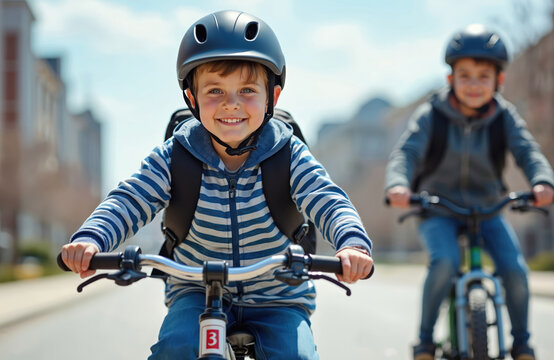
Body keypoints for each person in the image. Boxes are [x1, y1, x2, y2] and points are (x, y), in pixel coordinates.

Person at [60, 10, 373, 360]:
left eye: (247, 90)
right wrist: (92, 238)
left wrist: (351, 243)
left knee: (296, 356)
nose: (231, 103)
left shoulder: (288, 155)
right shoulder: (176, 157)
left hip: (278, 295)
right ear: (191, 98)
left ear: (274, 96)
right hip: (194, 292)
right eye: (214, 90)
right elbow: (129, 200)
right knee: (174, 348)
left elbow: (327, 199)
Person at [385, 24, 554, 360]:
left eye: (483, 76)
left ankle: (521, 344)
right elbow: (407, 153)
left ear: (498, 81)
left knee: (515, 270)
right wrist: (398, 184)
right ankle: (424, 342)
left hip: (488, 208)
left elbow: (527, 150)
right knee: (444, 261)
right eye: (465, 76)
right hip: (437, 208)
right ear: (450, 79)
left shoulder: (504, 116)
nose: (474, 84)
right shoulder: (432, 114)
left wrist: (542, 180)